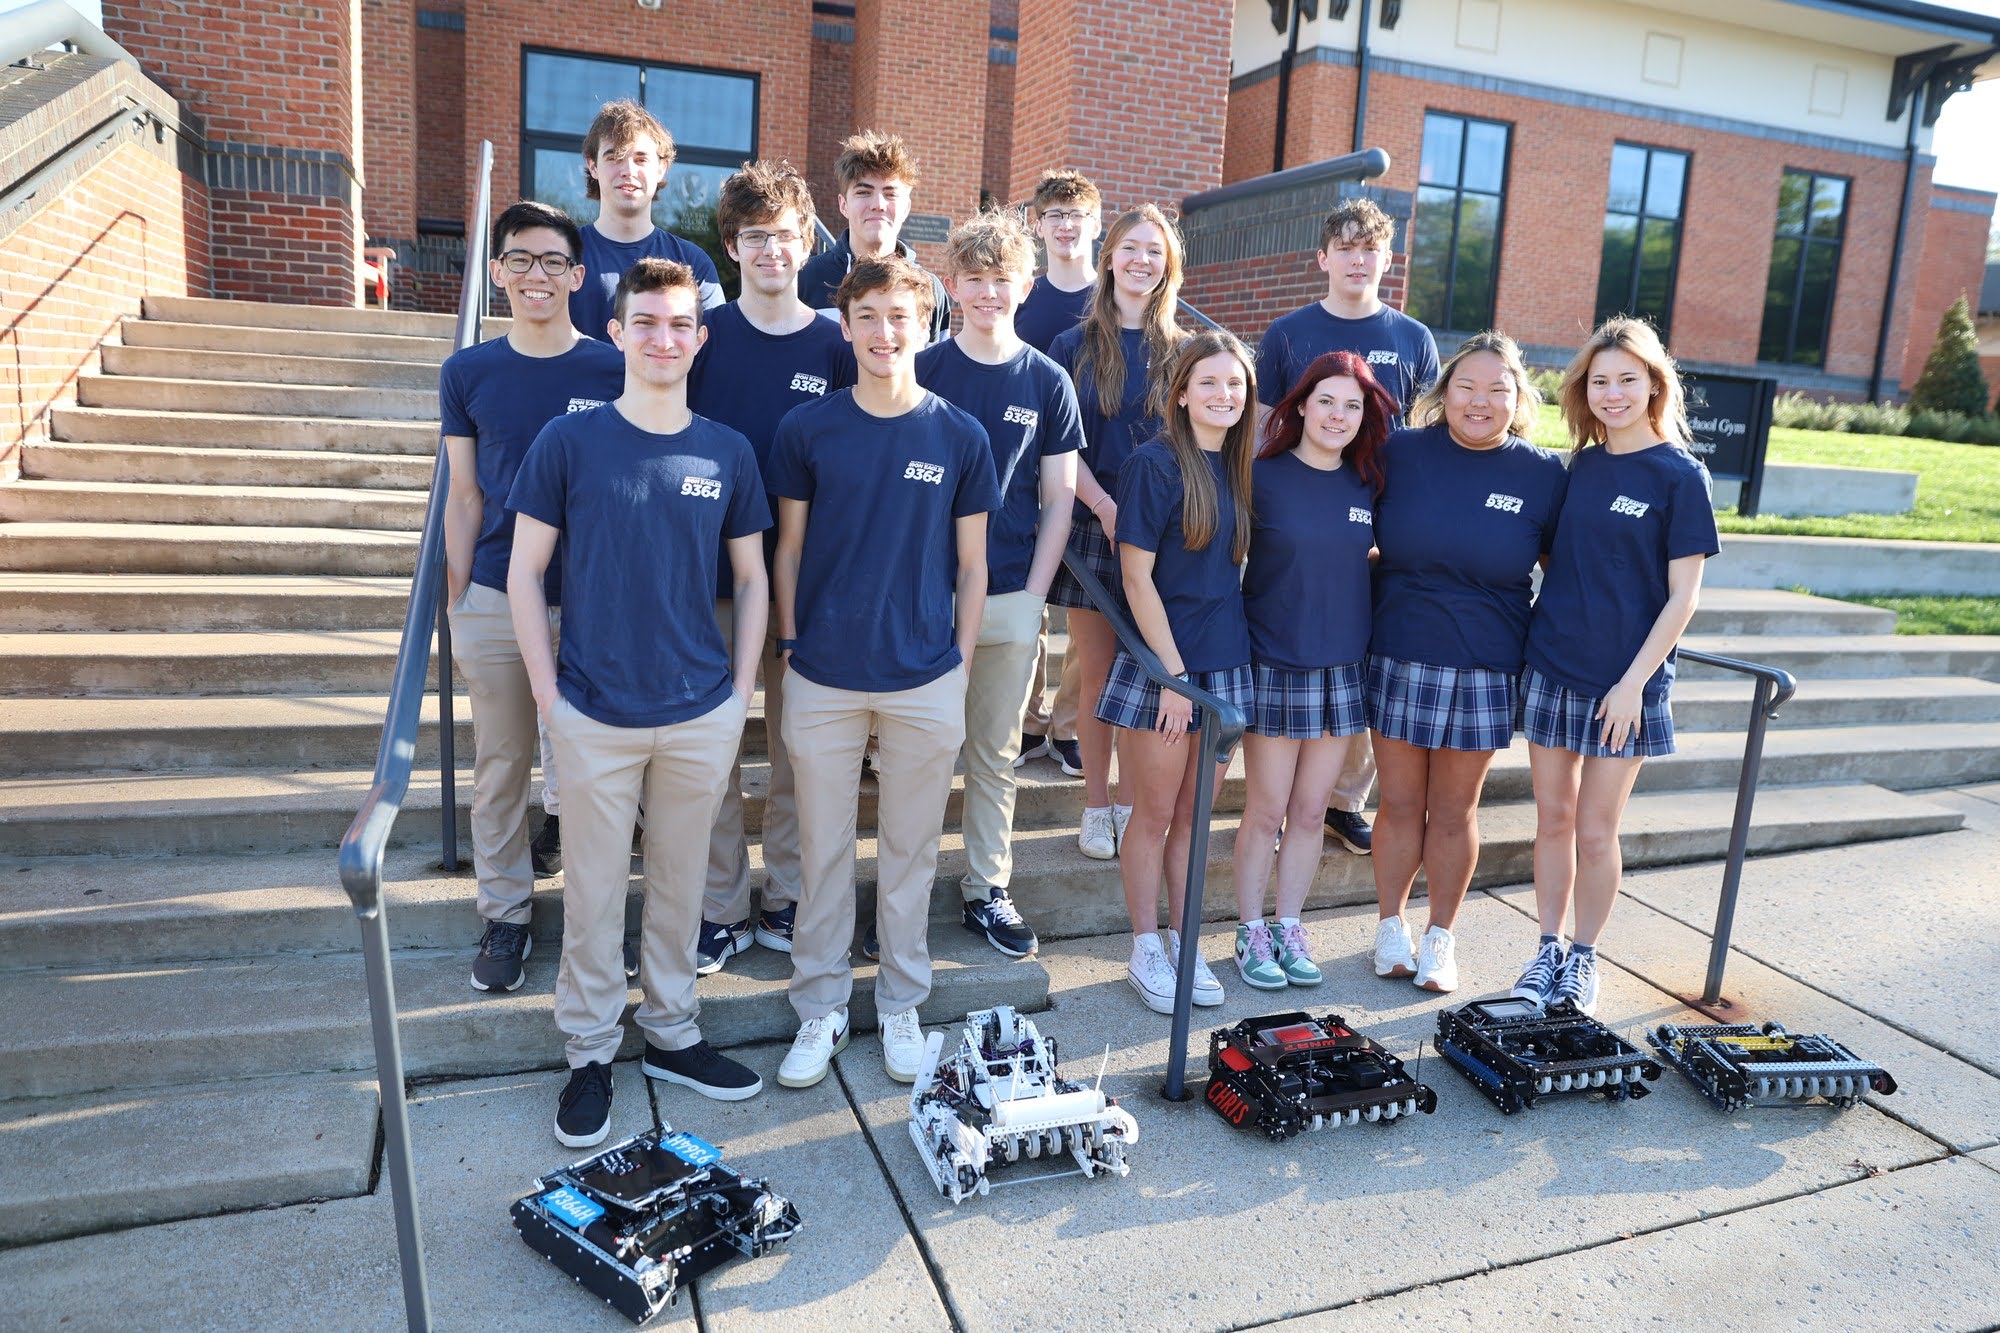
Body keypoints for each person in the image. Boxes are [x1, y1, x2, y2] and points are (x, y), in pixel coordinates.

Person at [508, 259, 771, 1148]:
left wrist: (738, 696)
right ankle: (588, 1050)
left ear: (700, 338)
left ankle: (671, 1032)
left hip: (698, 710)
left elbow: (752, 580)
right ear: (617, 333)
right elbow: (523, 573)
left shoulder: (727, 450)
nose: (664, 338)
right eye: (646, 322)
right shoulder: (568, 442)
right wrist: (550, 701)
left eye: (680, 324)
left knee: (680, 886)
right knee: (588, 895)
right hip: (592, 710)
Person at [768, 255, 999, 1090]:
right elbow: (787, 548)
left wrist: (960, 661)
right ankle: (820, 1007)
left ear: (926, 323)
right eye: (868, 315)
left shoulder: (959, 435)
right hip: (824, 674)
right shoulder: (808, 430)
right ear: (846, 325)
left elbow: (973, 567)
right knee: (823, 851)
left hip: (923, 676)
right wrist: (792, 642)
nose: (883, 331)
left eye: (900, 315)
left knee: (908, 853)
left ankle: (901, 1003)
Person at [441, 200, 623, 994]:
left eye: (553, 261)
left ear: (578, 276)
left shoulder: (615, 369)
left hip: (591, 603)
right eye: (521, 259)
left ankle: (596, 918)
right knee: (502, 764)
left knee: (594, 772)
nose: (537, 275)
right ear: (496, 272)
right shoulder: (469, 372)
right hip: (493, 596)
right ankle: (506, 913)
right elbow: (464, 497)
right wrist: (455, 601)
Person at [1511, 318, 1717, 1016]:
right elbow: (1555, 555)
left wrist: (1633, 682)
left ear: (1655, 383)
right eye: (1600, 380)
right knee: (1553, 819)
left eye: (1628, 378)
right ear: (1584, 390)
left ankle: (1584, 956)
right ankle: (1545, 949)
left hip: (1625, 686)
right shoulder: (1582, 466)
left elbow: (1685, 595)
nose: (1613, 392)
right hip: (1552, 664)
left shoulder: (1680, 476)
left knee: (1597, 829)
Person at [691, 159, 855, 975]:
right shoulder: (703, 337)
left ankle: (787, 894)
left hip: (808, 583)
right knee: (714, 747)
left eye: (784, 237)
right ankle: (719, 904)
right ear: (731, 245)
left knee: (801, 748)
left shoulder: (836, 341)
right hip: (710, 580)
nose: (770, 252)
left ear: (805, 241)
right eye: (754, 238)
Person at [1368, 331, 1568, 994]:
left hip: (1486, 664)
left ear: (1520, 399)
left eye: (1497, 390)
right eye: (1466, 387)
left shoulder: (1542, 474)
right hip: (1399, 650)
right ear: (1443, 392)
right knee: (1398, 804)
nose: (1480, 401)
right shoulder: (1399, 452)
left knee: (1454, 811)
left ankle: (1441, 937)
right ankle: (1390, 925)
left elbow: (1564, 572)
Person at [1255, 197, 1441, 860]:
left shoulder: (1412, 339)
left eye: (1372, 248)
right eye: (1347, 246)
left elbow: (1427, 434)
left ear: (1387, 260)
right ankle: (1277, 804)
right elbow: (1262, 425)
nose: (1359, 258)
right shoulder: (1288, 332)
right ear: (1324, 257)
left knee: (1363, 652)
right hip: (1305, 513)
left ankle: (1343, 800)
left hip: (1383, 512)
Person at [916, 211, 1081, 959]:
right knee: (916, 752)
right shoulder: (920, 370)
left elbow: (1060, 498)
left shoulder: (1048, 380)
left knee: (994, 751)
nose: (988, 292)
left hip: (1013, 595)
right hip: (922, 596)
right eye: (974, 279)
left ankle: (987, 885)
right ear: (953, 286)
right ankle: (905, 886)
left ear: (1025, 286)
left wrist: (1037, 594)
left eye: (1001, 279)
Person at [1097, 330, 1257, 1015]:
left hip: (1228, 665)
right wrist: (1172, 677)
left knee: (1196, 819)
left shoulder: (1246, 465)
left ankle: (1184, 944)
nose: (1225, 395)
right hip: (1166, 670)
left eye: (1236, 385)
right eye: (1211, 383)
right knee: (1155, 814)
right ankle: (1144, 947)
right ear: (1183, 392)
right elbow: (1135, 577)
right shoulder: (1153, 464)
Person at [1231, 351, 1394, 990]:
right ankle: (1250, 930)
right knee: (1266, 811)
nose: (1338, 415)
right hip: (1274, 663)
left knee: (1309, 812)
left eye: (1352, 405)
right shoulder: (1261, 476)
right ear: (1300, 405)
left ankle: (1289, 926)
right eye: (1326, 400)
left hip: (1342, 671)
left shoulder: (1369, 483)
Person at [1046, 204, 1188, 862]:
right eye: (1131, 247)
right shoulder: (1073, 346)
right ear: (1108, 257)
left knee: (1152, 672)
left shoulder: (1182, 351)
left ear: (1169, 265)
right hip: (1093, 527)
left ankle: (1135, 799)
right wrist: (1104, 505)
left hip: (1163, 537)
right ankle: (1097, 804)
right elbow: (1061, 447)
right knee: (1099, 675)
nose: (1141, 260)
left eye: (1154, 251)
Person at [1015, 168, 1102, 773]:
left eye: (1077, 216)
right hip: (1026, 471)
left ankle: (1069, 726)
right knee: (1031, 602)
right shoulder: (1025, 298)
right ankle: (1028, 720)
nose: (1066, 226)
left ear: (1096, 225)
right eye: (1054, 216)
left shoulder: (1116, 293)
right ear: (1037, 225)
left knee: (1088, 611)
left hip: (1098, 471)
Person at [567, 100, 725, 342]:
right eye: (614, 157)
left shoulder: (693, 263)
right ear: (593, 166)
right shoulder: (563, 255)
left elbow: (710, 352)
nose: (628, 170)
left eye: (641, 159)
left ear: (661, 167)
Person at [797, 130, 952, 345]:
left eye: (890, 194)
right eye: (864, 192)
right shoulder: (806, 279)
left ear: (906, 207)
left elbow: (935, 370)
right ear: (843, 204)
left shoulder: (930, 288)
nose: (878, 204)